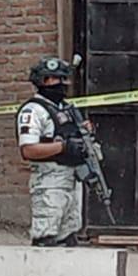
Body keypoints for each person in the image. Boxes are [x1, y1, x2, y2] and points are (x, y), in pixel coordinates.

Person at [17, 56, 91, 248]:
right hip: (49, 181)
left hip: (72, 179)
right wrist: (63, 147)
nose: (61, 84)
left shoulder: (66, 108)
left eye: (63, 79)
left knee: (68, 239)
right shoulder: (33, 110)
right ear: (43, 81)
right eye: (56, 79)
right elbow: (28, 150)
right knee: (46, 239)